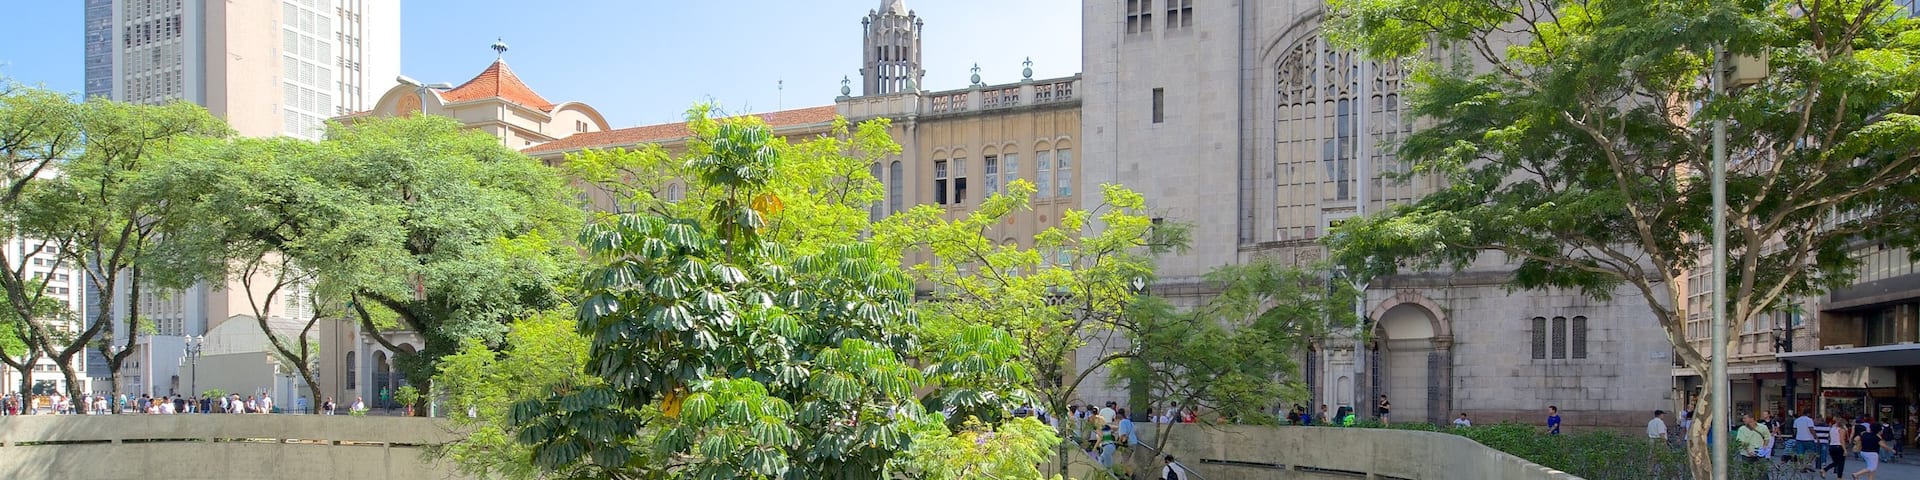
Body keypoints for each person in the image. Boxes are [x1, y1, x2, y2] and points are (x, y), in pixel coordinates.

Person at [1853, 416, 1892, 480]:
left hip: (1863, 452)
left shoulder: (1864, 433)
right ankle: (1856, 474)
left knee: (1871, 469)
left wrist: (1859, 444)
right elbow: (1883, 445)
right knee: (1872, 468)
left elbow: (1856, 439)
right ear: (1879, 430)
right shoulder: (1877, 437)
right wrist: (1891, 449)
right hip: (1872, 453)